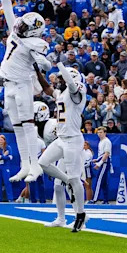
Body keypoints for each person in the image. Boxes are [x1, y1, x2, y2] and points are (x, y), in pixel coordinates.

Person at [0, 0, 50, 183]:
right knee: (17, 127)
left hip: (22, 84)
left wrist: (40, 59)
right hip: (8, 84)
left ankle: (35, 166)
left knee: (28, 125)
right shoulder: (18, 32)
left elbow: (46, 66)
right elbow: (8, 8)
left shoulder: (35, 43)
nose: (21, 27)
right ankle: (24, 164)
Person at [34, 66, 88, 229]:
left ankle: (80, 214)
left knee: (74, 178)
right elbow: (47, 88)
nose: (59, 80)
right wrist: (37, 71)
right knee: (43, 163)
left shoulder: (77, 92)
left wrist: (60, 65)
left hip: (73, 140)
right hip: (61, 139)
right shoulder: (61, 93)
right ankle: (62, 217)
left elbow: (72, 84)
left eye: (61, 78)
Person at [90, 127, 113, 205]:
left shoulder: (107, 141)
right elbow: (102, 154)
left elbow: (106, 154)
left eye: (101, 132)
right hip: (103, 162)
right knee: (103, 182)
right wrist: (97, 159)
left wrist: (99, 163)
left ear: (105, 133)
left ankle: (94, 199)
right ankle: (106, 200)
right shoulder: (101, 141)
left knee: (99, 181)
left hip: (105, 163)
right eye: (98, 132)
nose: (99, 134)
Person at [0, 134, 14, 202]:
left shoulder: (8, 147)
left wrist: (1, 157)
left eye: (1, 140)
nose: (0, 141)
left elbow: (10, 157)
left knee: (7, 182)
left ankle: (10, 198)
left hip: (5, 167)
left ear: (4, 140)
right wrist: (4, 155)